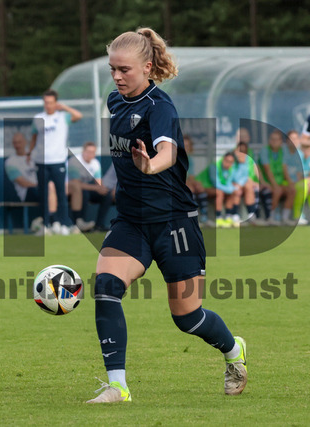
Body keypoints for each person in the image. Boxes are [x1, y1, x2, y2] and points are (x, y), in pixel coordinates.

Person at [86, 28, 246, 404]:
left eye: (124, 69)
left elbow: (168, 153)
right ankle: (117, 387)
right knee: (106, 287)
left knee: (187, 317)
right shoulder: (114, 101)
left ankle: (233, 350)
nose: (116, 77)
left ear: (147, 67)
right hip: (131, 221)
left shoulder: (160, 107)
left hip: (175, 223)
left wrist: (150, 165)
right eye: (112, 69)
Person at [28, 89, 83, 236]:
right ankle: (46, 225)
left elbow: (78, 115)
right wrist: (29, 153)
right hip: (41, 161)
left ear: (55, 103)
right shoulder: (38, 118)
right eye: (46, 103)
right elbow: (34, 138)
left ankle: (64, 223)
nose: (48, 105)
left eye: (51, 102)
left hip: (58, 161)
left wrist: (64, 107)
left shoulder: (63, 117)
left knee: (61, 193)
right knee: (43, 194)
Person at [68, 141, 113, 231]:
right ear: (83, 151)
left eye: (93, 152)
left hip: (87, 188)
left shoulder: (95, 163)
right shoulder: (75, 161)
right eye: (88, 152)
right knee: (83, 193)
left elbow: (99, 183)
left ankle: (99, 225)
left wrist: (101, 189)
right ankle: (80, 222)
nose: (90, 154)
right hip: (70, 189)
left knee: (107, 195)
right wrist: (96, 188)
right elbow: (76, 184)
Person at [258, 130, 295, 225]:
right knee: (277, 191)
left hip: (279, 182)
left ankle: (285, 218)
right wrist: (275, 186)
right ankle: (270, 217)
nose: (274, 141)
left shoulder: (283, 151)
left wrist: (290, 182)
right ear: (269, 140)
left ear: (281, 141)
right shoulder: (265, 151)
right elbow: (267, 170)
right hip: (266, 182)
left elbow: (284, 168)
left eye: (277, 139)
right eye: (272, 139)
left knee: (292, 190)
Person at [183, 135, 211, 225]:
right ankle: (193, 217)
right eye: (184, 146)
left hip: (187, 181)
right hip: (179, 182)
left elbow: (191, 175)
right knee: (190, 189)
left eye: (188, 146)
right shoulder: (176, 158)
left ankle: (204, 217)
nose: (186, 148)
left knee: (200, 187)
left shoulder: (190, 159)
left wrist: (195, 182)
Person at [234, 142, 263, 225]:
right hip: (233, 184)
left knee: (250, 188)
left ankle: (251, 215)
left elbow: (255, 173)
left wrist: (259, 183)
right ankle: (234, 216)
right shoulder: (231, 160)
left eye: (244, 151)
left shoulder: (249, 160)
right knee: (238, 189)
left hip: (246, 184)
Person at [5, 132, 38, 203]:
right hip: (27, 193)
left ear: (25, 142)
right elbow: (23, 183)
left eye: (19, 142)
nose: (17, 145)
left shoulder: (34, 156)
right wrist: (41, 187)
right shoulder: (10, 162)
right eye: (15, 143)